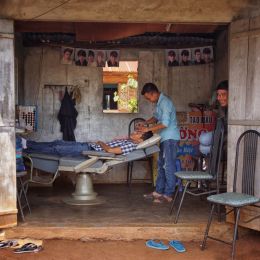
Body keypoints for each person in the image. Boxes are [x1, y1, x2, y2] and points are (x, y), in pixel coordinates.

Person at [140, 83, 180, 203]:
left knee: (168, 166)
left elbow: (165, 123)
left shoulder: (165, 103)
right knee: (161, 165)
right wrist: (145, 123)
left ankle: (168, 194)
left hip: (170, 138)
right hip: (164, 138)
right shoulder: (159, 103)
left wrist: (148, 129)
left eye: (148, 98)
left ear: (153, 93)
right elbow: (156, 117)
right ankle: (158, 192)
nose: (149, 100)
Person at [24, 131, 153, 157]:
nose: (135, 132)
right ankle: (27, 145)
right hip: (88, 146)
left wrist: (99, 142)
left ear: (141, 140)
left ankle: (27, 146)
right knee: (58, 142)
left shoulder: (131, 145)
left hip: (89, 149)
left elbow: (109, 151)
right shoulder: (129, 140)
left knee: (57, 148)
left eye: (138, 133)